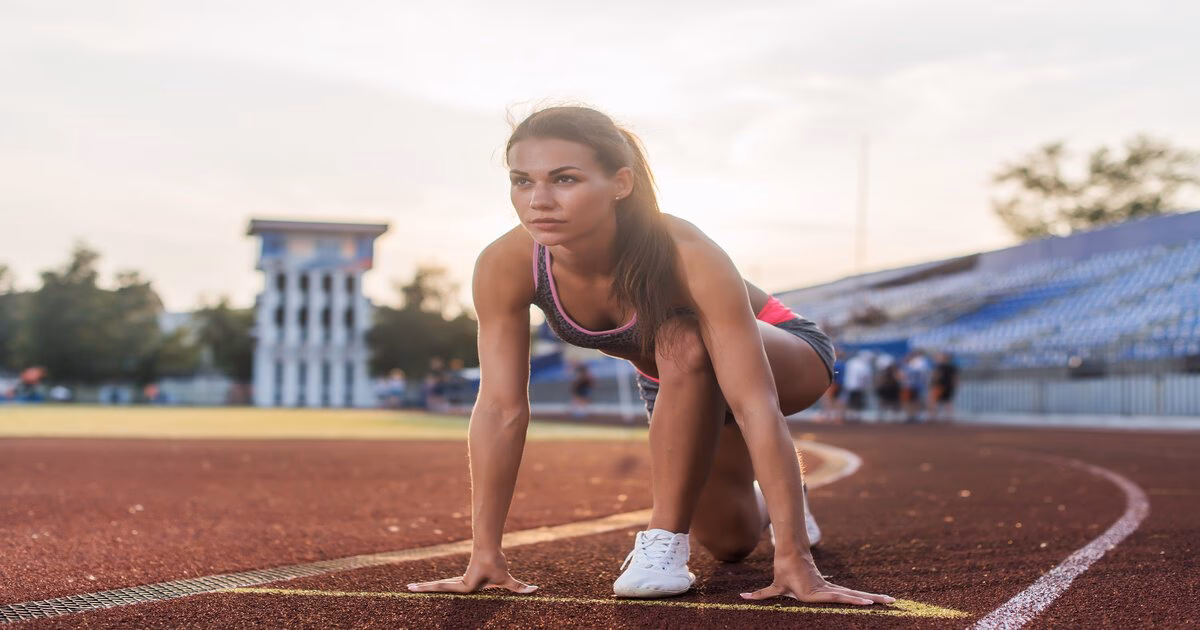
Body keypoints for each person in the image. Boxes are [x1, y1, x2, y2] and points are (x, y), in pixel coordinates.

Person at [407, 106, 892, 606]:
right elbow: (500, 408)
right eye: (522, 181)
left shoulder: (684, 250)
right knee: (730, 543)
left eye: (565, 179)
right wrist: (484, 552)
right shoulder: (505, 263)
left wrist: (794, 560)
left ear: (621, 183)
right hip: (677, 380)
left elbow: (753, 403)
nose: (540, 201)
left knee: (682, 338)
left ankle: (661, 542)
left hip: (782, 353)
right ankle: (773, 502)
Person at [929, 352, 959, 422]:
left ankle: (933, 416)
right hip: (949, 386)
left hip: (939, 385)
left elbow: (937, 376)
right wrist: (954, 385)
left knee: (933, 401)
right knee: (948, 401)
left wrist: (932, 383)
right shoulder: (952, 367)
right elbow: (955, 378)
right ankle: (949, 417)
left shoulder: (939, 366)